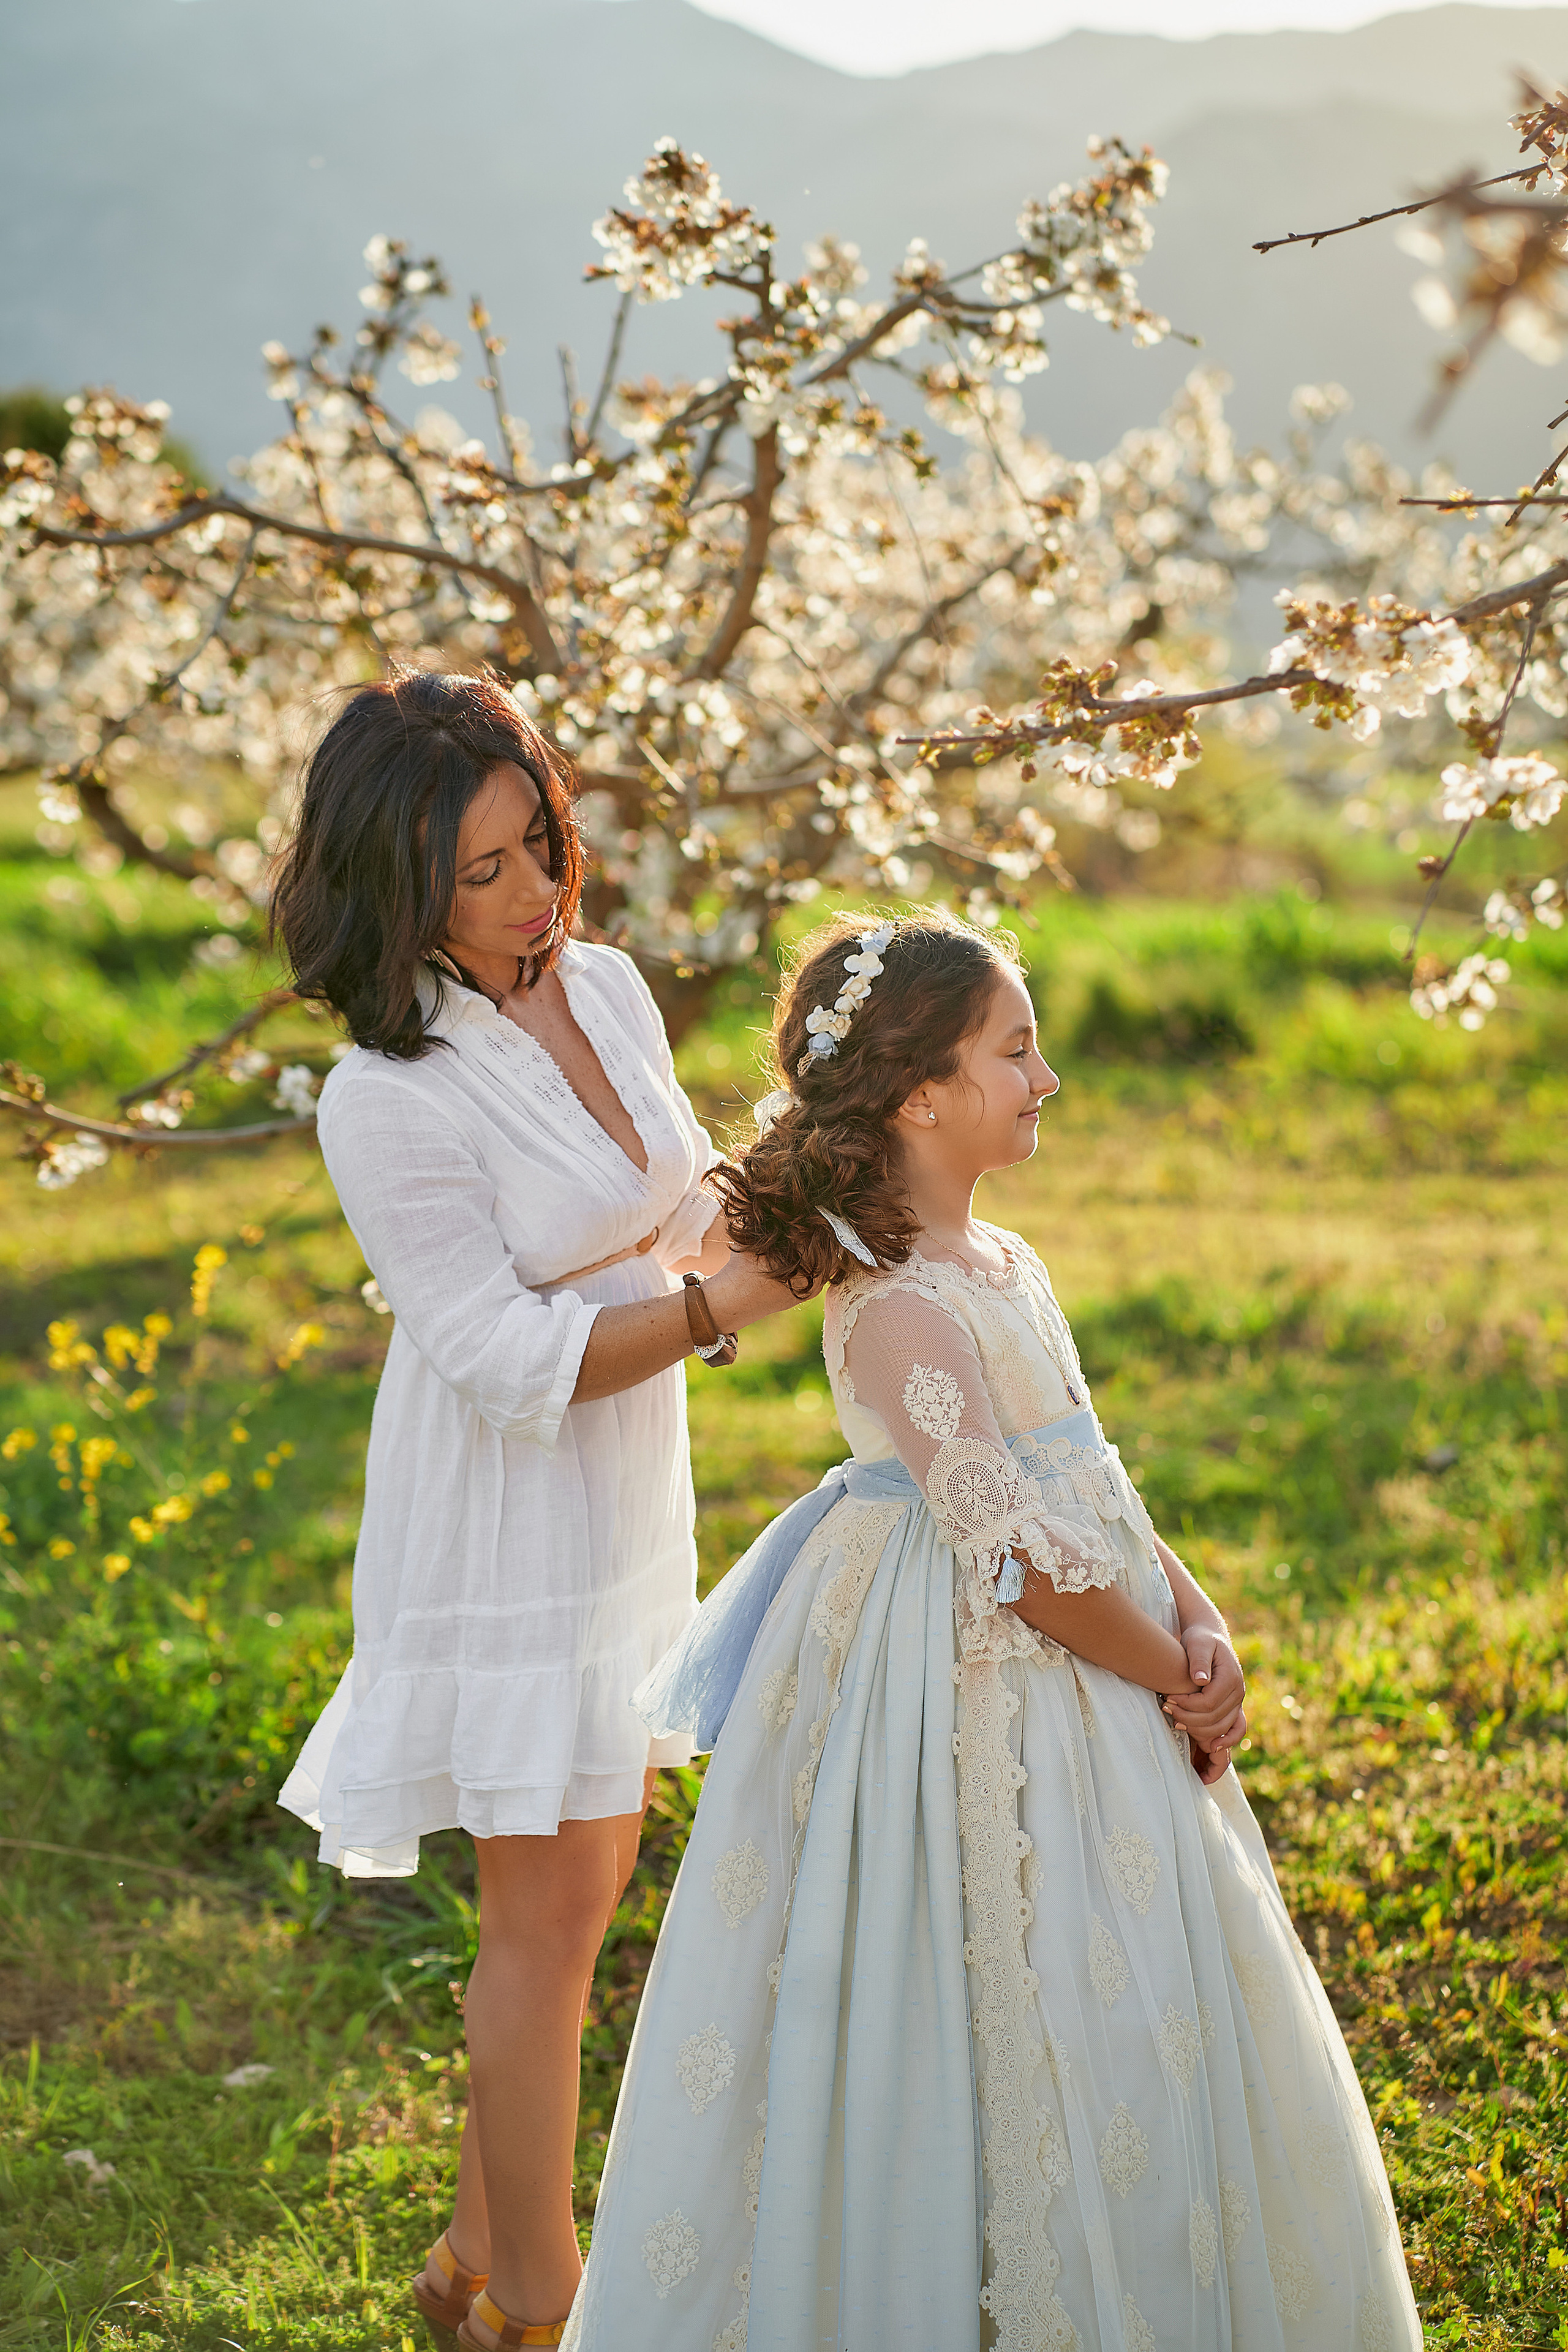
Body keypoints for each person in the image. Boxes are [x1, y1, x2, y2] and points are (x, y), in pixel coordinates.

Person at [563, 910, 1422, 2351]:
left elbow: (1085, 1475)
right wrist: (1169, 1675)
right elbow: (1015, 1566)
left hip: (1111, 1646)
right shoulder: (896, 1309)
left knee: (1128, 1976)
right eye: (1013, 1052)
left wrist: (1193, 1614)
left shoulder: (1005, 1260)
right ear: (918, 1095)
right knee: (980, 1966)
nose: (1046, 1078)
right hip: (975, 1683)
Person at [270, 667, 794, 2350]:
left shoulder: (613, 985)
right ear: (392, 890)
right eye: (476, 875)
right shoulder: (386, 1094)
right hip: (501, 1504)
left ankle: (464, 2265)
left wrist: (801, 1197)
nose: (526, 899)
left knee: (604, 1864)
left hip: (629, 1486)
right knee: (542, 1915)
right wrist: (728, 1307)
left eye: (535, 846)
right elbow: (503, 1357)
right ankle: (543, 2307)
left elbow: (682, 1193)